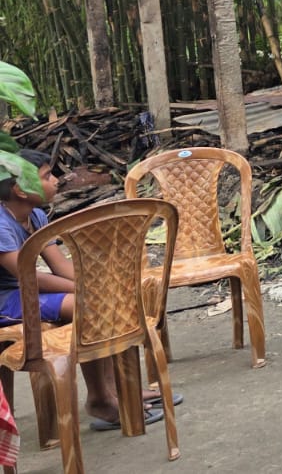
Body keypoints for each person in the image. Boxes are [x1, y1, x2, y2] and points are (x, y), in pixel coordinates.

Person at [0, 150, 167, 429]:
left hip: (26, 292)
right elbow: (28, 276)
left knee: (103, 298)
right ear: (20, 189)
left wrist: (96, 284)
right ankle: (101, 399)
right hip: (6, 301)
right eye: (47, 176)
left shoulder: (36, 216)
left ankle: (117, 389)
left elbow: (59, 266)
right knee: (88, 305)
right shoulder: (1, 224)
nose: (56, 180)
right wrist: (84, 290)